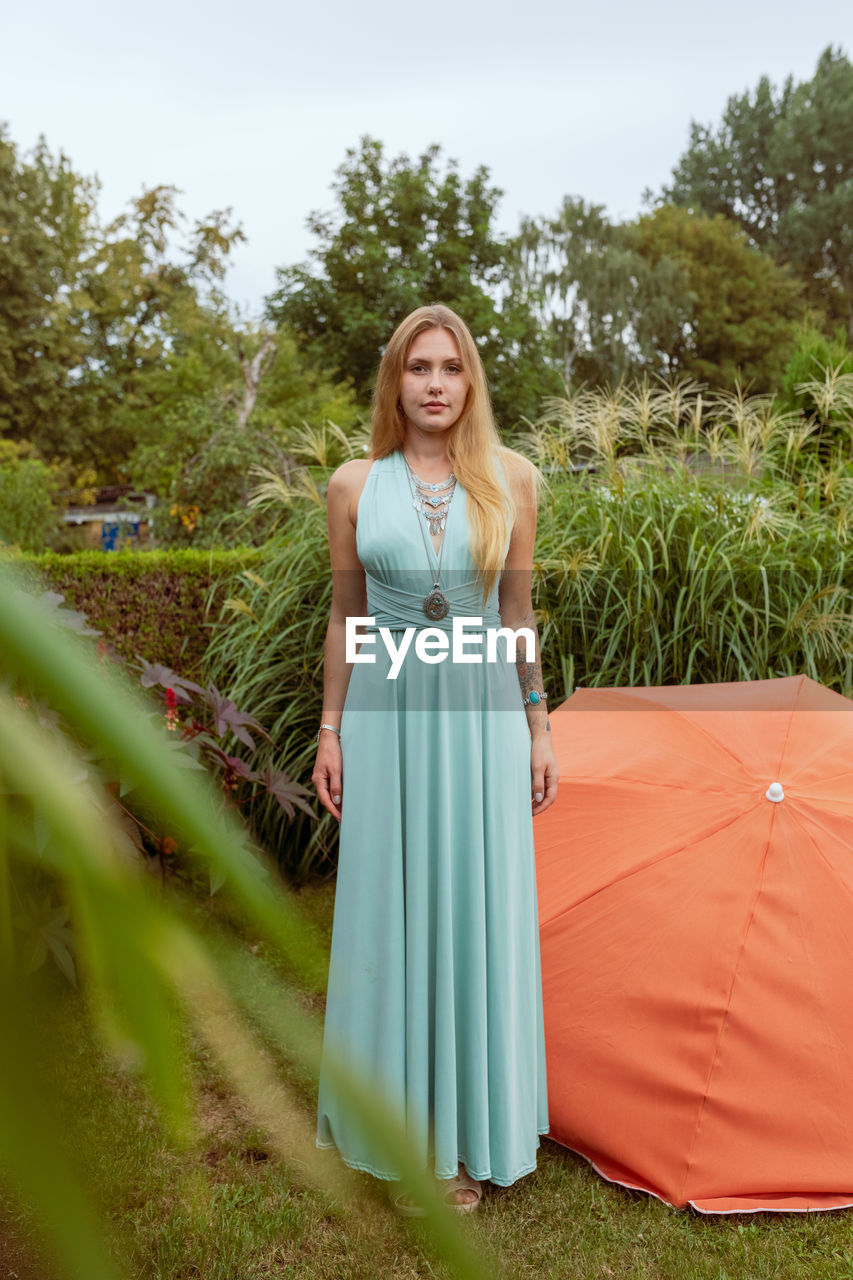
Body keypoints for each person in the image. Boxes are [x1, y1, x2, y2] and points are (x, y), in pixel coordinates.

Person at [312, 303, 559, 1215]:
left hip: (480, 714)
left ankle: (471, 1135)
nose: (434, 384)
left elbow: (517, 618)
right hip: (384, 714)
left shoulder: (514, 480)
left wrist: (537, 724)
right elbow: (344, 618)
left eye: (450, 368)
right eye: (418, 367)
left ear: (470, 381)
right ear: (395, 380)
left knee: (470, 909)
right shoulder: (350, 484)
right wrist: (330, 729)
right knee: (393, 911)